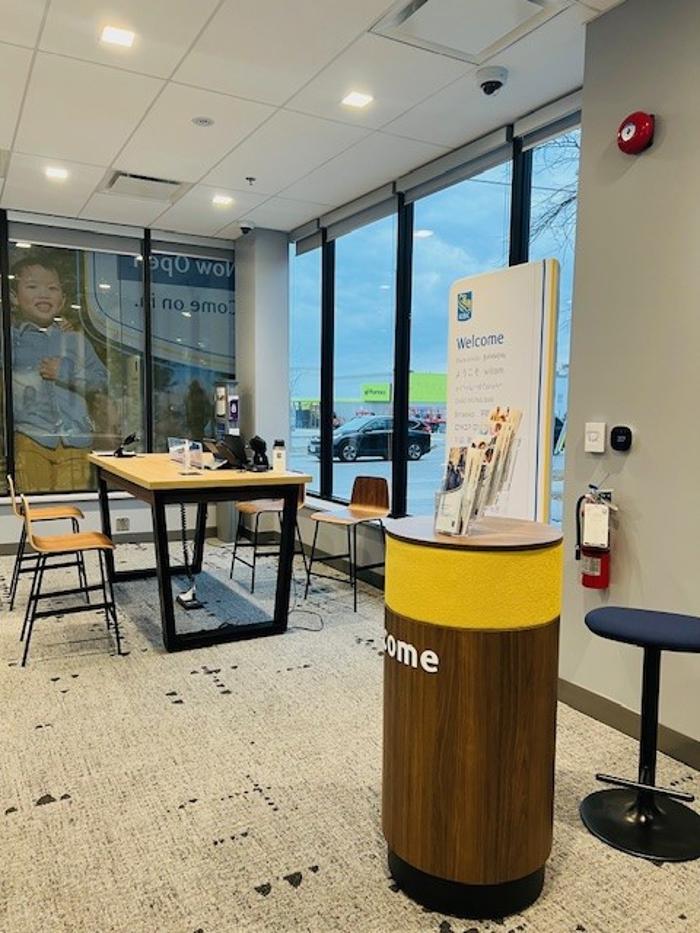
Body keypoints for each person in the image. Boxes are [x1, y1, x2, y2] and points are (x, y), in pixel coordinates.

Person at [11, 252, 107, 492]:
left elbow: (102, 381)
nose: (43, 294)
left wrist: (66, 371)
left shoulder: (75, 340)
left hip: (76, 442)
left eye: (52, 288)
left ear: (62, 300)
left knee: (72, 505)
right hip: (29, 438)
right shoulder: (10, 340)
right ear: (14, 297)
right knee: (33, 505)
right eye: (32, 286)